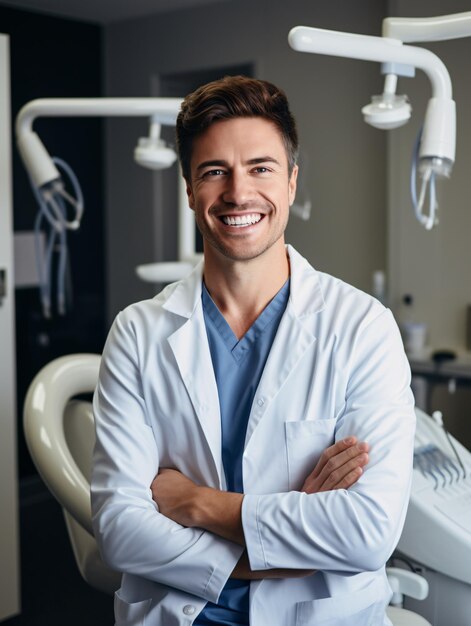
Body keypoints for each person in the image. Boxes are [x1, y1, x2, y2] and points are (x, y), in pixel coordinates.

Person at [91, 75, 415, 626]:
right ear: (190, 190)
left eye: (260, 168)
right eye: (215, 171)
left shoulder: (363, 327)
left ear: (290, 182)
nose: (238, 193)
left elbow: (367, 532)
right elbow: (120, 532)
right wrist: (271, 557)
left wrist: (197, 504)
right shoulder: (136, 333)